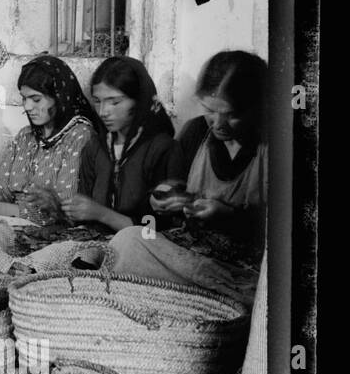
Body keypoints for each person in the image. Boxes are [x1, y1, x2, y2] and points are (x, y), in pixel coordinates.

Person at [106, 50, 268, 305]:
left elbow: (285, 234)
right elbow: (165, 197)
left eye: (232, 114)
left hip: (242, 270)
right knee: (124, 243)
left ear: (256, 107)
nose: (218, 124)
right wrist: (161, 199)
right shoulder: (196, 133)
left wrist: (228, 215)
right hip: (191, 256)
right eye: (210, 110)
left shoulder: (275, 146)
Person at [0, 54, 99, 223]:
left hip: (51, 231)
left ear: (60, 98)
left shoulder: (79, 136)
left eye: (36, 99)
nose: (27, 106)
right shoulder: (26, 136)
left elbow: (64, 212)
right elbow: (1, 187)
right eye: (24, 98)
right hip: (12, 221)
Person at [61, 55, 178, 231]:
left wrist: (102, 214)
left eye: (114, 102)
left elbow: (156, 230)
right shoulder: (95, 147)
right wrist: (59, 208)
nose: (103, 112)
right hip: (95, 248)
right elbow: (83, 219)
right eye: (97, 101)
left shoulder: (162, 149)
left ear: (139, 101)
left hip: (139, 251)